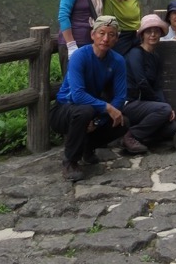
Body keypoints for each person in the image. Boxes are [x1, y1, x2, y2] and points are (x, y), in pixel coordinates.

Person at [50, 15, 128, 182]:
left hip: (92, 112)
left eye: (111, 34)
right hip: (64, 110)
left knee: (123, 122)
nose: (105, 38)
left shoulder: (117, 61)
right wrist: (107, 109)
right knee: (85, 111)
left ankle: (87, 147)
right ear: (93, 35)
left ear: (116, 38)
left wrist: (99, 120)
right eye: (101, 33)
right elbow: (77, 94)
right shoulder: (80, 56)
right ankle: (70, 161)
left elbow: (120, 96)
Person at [122, 13, 176, 152]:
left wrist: (167, 106)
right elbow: (141, 82)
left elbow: (157, 86)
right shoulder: (135, 53)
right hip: (131, 102)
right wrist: (162, 107)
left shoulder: (155, 57)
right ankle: (130, 136)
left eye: (156, 31)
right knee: (163, 110)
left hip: (146, 105)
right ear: (142, 35)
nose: (153, 35)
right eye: (149, 31)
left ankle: (142, 137)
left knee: (172, 127)